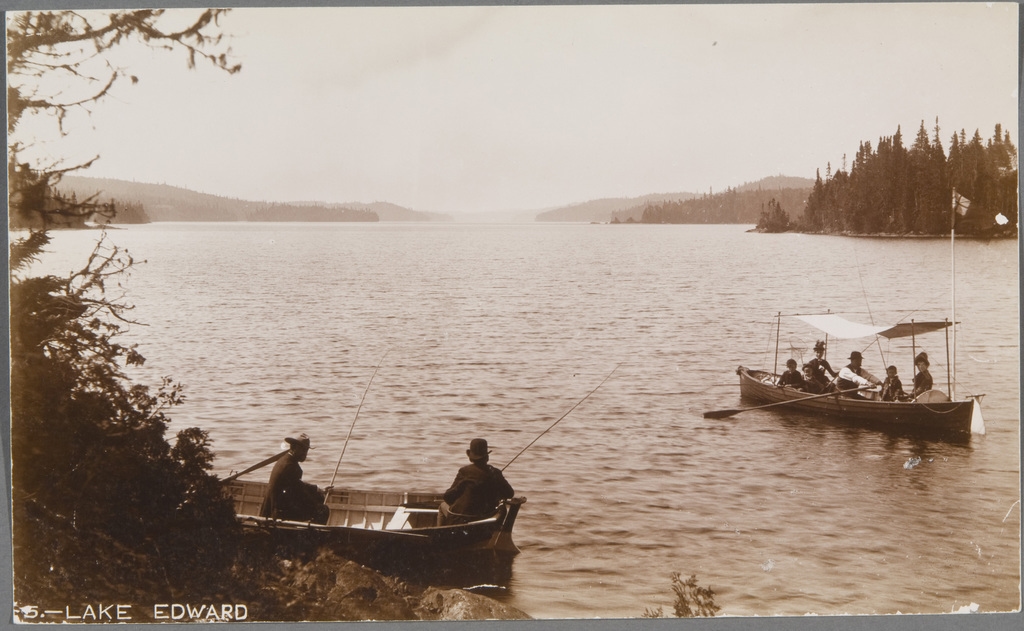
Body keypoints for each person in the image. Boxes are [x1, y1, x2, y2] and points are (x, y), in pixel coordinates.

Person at [439, 438, 514, 526]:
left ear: (470, 456)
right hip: (484, 518)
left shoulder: (464, 471)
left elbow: (447, 497)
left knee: (442, 505)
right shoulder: (495, 473)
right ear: (487, 457)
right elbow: (510, 493)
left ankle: (439, 535)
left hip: (461, 518)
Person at [260, 433, 330, 524]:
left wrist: (317, 489)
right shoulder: (292, 467)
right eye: (303, 450)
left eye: (306, 450)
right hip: (278, 513)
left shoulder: (283, 460)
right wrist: (316, 505)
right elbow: (298, 492)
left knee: (317, 498)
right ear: (293, 448)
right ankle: (313, 537)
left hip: (269, 509)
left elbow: (296, 484)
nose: (305, 454)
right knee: (323, 510)